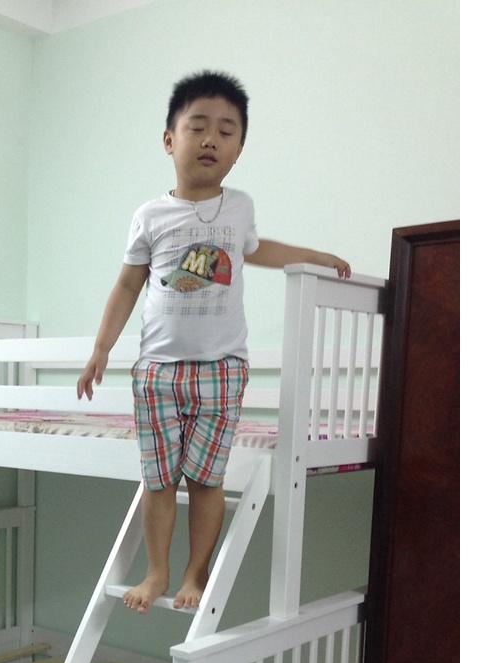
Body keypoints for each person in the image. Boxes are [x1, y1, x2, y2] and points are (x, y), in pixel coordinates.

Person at [77, 69, 351, 614]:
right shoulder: (150, 215)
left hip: (222, 369)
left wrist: (314, 256)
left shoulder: (239, 207)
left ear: (238, 150)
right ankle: (156, 572)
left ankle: (194, 573)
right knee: (159, 481)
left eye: (226, 131)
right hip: (157, 371)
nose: (210, 139)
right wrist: (102, 348)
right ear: (169, 140)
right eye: (197, 126)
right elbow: (128, 284)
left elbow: (260, 249)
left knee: (207, 480)